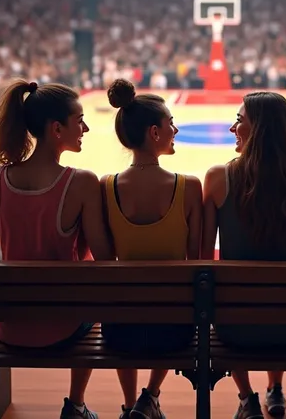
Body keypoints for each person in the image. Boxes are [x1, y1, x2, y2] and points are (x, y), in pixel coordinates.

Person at [0, 79, 112, 419]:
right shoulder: (80, 182)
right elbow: (105, 260)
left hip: (8, 327)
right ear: (56, 129)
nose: (86, 127)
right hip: (61, 328)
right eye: (79, 120)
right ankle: (76, 405)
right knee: (92, 299)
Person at [202, 92, 286, 419]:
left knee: (230, 299)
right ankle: (276, 390)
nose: (231, 128)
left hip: (235, 329)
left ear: (261, 130)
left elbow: (203, 261)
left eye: (240, 121)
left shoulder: (217, 178)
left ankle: (247, 398)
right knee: (281, 295)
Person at [101, 79, 203, 419]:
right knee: (177, 300)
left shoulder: (107, 186)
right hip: (173, 330)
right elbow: (198, 262)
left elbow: (103, 258)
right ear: (154, 133)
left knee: (119, 302)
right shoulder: (188, 188)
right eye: (170, 123)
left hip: (120, 331)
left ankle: (130, 403)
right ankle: (151, 396)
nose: (175, 128)